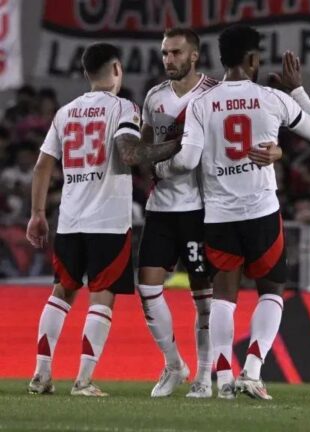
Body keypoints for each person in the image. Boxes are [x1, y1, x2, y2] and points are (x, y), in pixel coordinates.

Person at [154, 25, 310, 399]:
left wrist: (159, 168)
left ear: (220, 58)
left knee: (223, 298)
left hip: (218, 215)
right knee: (271, 292)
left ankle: (222, 376)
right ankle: (252, 369)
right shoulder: (270, 98)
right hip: (261, 210)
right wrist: (296, 88)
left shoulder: (202, 104)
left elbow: (185, 160)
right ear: (252, 59)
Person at [27, 43, 182, 396]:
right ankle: (82, 381)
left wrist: (37, 214)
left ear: (86, 73)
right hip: (108, 222)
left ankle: (41, 373)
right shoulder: (123, 108)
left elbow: (42, 166)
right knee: (102, 297)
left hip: (69, 220)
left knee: (60, 294)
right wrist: (176, 146)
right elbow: (130, 154)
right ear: (116, 69)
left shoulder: (65, 113)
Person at [138, 27, 220, 399]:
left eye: (175, 53)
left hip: (201, 209)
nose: (168, 59)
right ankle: (174, 365)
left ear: (194, 56)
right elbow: (143, 145)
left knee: (204, 296)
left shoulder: (214, 94)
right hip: (160, 206)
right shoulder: (154, 97)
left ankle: (204, 375)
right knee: (147, 287)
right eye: (165, 53)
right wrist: (145, 163)